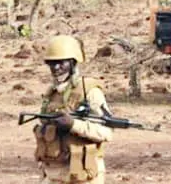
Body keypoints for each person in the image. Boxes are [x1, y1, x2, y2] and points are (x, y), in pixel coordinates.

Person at [33, 34, 113, 184]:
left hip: (83, 175)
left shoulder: (89, 91)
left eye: (61, 63)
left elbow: (106, 132)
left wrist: (73, 125)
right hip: (53, 174)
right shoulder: (51, 93)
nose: (56, 68)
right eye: (52, 63)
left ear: (73, 63)